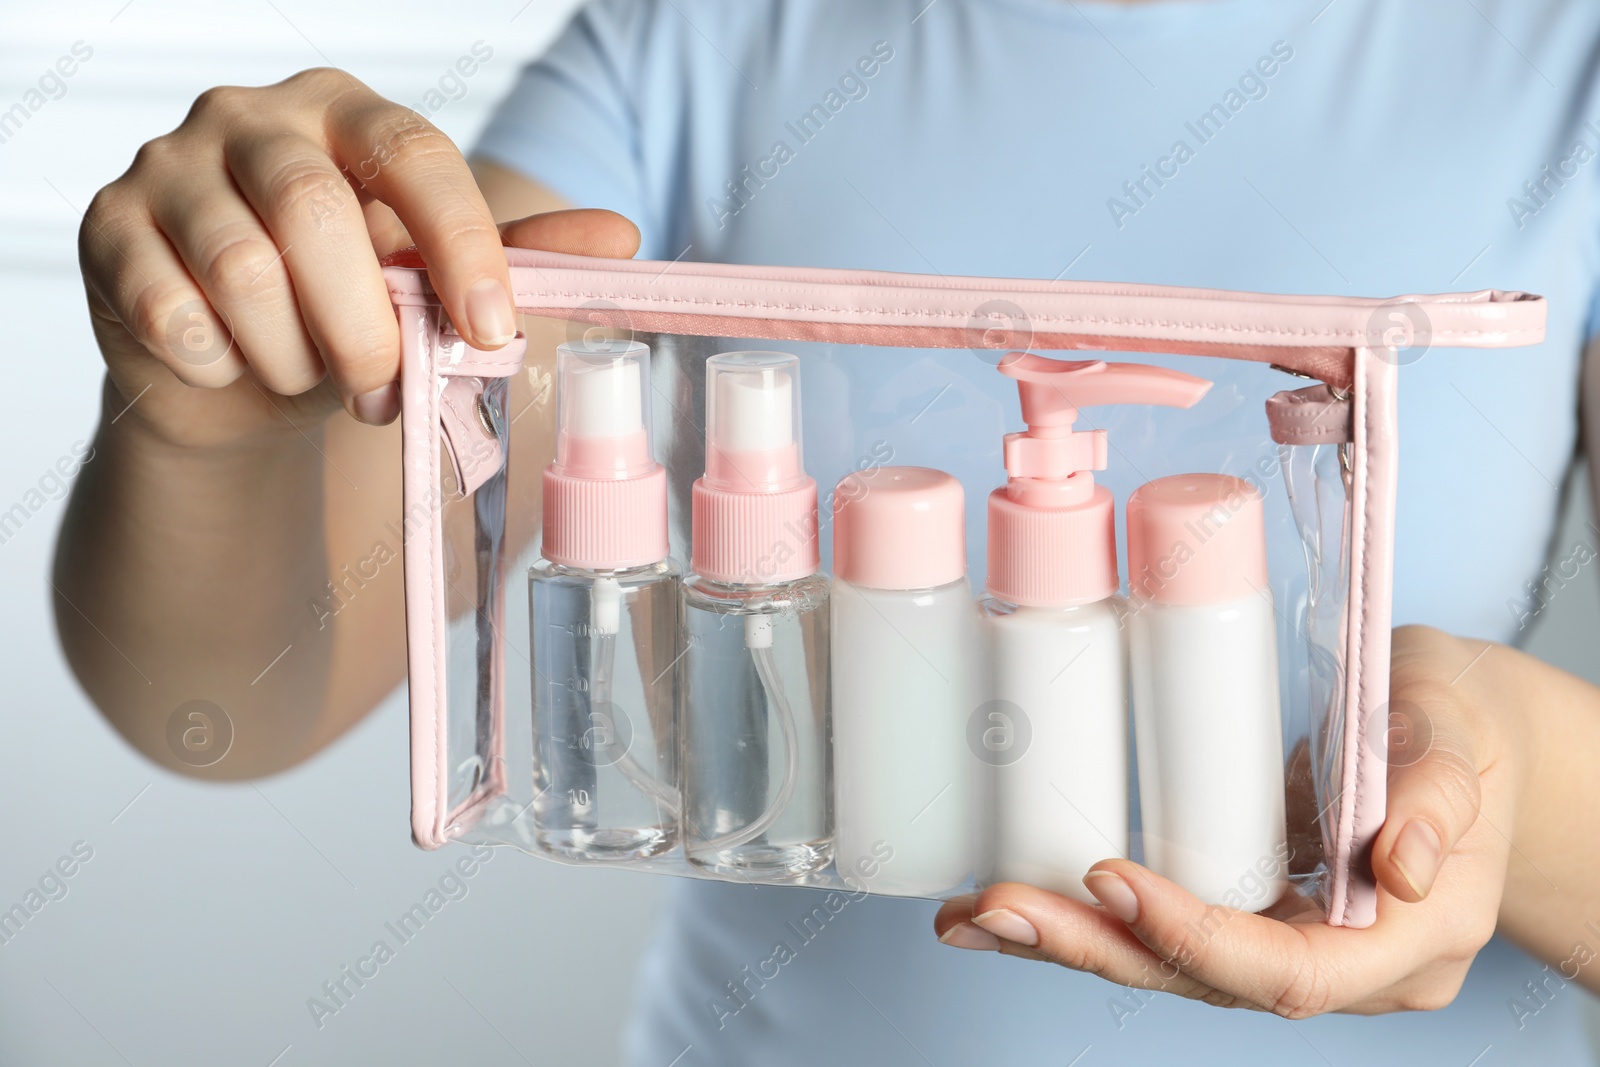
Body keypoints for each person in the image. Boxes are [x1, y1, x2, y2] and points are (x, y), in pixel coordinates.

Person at [56, 0, 1600, 1062]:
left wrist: (1515, 788)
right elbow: (223, 710)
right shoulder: (700, 36)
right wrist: (207, 412)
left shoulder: (1561, 63)